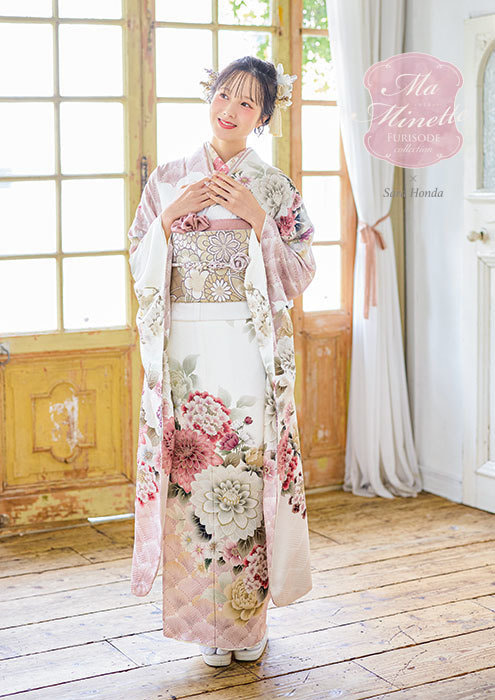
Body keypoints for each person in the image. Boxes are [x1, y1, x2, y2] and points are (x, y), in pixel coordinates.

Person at [127, 55, 316, 668]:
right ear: (210, 97)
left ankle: (245, 621)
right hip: (185, 349)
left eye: (246, 103)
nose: (229, 110)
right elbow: (138, 258)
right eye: (223, 95)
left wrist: (260, 221)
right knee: (190, 477)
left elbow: (301, 272)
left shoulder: (274, 187)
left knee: (244, 476)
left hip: (245, 347)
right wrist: (170, 215)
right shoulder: (170, 178)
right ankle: (204, 625)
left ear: (263, 117)